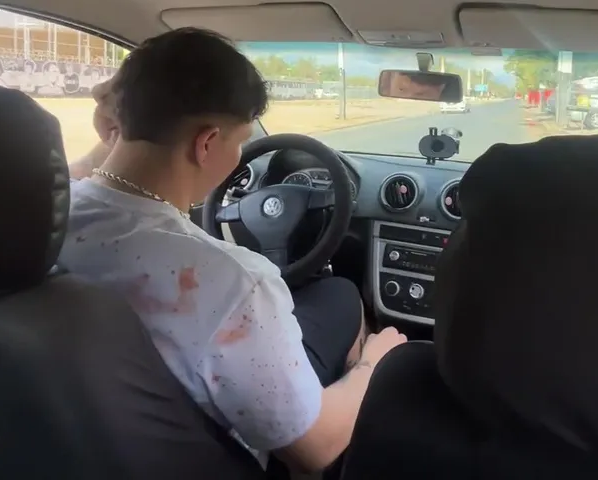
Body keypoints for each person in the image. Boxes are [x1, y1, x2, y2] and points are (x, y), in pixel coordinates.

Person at [59, 28, 406, 474]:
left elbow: (93, 169)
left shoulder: (42, 216)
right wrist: (378, 363)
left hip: (94, 431)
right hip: (206, 456)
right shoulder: (233, 281)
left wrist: (128, 116)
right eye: (240, 141)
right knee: (341, 293)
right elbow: (315, 448)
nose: (240, 155)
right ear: (206, 143)